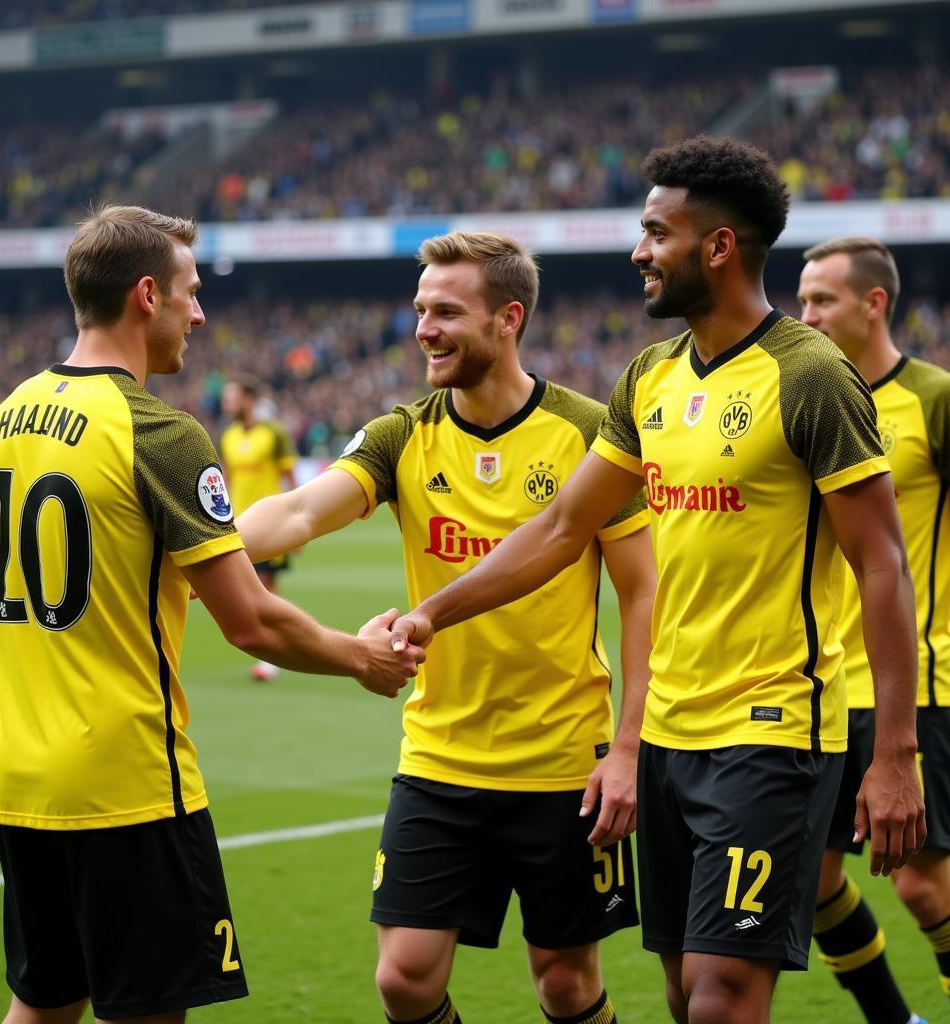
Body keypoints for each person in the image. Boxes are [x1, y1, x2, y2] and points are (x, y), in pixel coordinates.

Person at [387, 138, 927, 1024]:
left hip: (774, 728)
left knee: (721, 998)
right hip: (671, 736)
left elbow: (883, 563)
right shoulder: (649, 377)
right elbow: (564, 527)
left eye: (654, 232)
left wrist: (895, 752)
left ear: (715, 248)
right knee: (682, 996)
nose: (638, 250)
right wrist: (431, 615)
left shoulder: (811, 376)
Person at [0, 204, 424, 1024]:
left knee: (44, 1003)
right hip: (128, 784)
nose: (200, 313)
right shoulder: (160, 433)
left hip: (19, 775)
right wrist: (361, 658)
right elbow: (252, 623)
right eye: (191, 293)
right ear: (146, 295)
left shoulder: (1, 418)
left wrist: (54, 651)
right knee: (151, 1009)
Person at [237, 230, 655, 1024]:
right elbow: (296, 510)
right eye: (420, 309)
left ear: (508, 318)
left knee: (565, 984)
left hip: (563, 757)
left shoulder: (591, 435)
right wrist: (200, 548)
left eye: (446, 311)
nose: (424, 327)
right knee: (404, 979)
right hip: (440, 753)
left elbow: (642, 596)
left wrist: (628, 748)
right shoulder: (402, 434)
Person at [799, 236, 950, 1024]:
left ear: (874, 303)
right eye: (800, 300)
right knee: (816, 877)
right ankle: (895, 1022)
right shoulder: (804, 397)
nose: (806, 315)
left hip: (913, 685)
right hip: (820, 687)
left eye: (822, 300)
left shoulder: (938, 400)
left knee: (920, 881)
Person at [219, 375, 299, 681]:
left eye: (232, 397)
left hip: (270, 524)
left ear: (249, 400)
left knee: (266, 589)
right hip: (237, 526)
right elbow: (226, 480)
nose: (227, 404)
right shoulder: (228, 436)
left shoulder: (274, 434)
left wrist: (295, 524)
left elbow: (290, 477)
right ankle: (269, 652)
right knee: (244, 591)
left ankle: (274, 658)